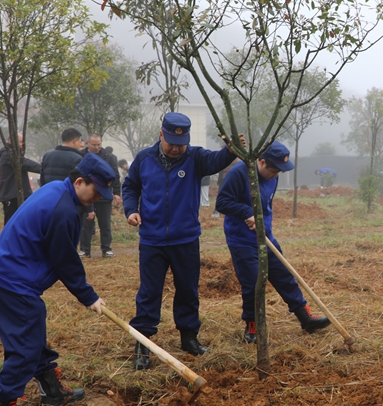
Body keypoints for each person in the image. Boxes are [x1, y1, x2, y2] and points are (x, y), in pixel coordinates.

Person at [0, 153, 115, 406]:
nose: (97, 198)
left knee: (32, 334)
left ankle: (51, 391)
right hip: (13, 280)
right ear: (79, 182)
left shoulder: (56, 189)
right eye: (95, 192)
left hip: (10, 274)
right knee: (25, 347)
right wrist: (88, 296)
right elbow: (65, 260)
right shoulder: (63, 210)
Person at [122, 112, 238, 370]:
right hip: (152, 240)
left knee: (187, 290)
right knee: (149, 292)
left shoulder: (195, 158)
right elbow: (130, 186)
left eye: (181, 144)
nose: (176, 149)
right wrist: (131, 210)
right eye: (172, 143)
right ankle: (143, 342)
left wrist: (231, 150)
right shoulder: (144, 159)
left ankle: (189, 337)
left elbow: (217, 160)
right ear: (161, 135)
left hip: (185, 239)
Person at [216, 141, 331, 343]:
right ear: (261, 162)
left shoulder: (273, 178)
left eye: (279, 171)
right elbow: (222, 202)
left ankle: (305, 317)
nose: (276, 175)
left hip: (266, 237)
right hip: (242, 240)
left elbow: (266, 205)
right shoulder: (238, 173)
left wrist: (265, 227)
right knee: (253, 285)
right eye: (274, 170)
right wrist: (246, 212)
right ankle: (252, 325)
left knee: (284, 275)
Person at [79, 134, 122, 258]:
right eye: (94, 145)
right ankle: (85, 250)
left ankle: (106, 249)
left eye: (99, 144)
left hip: (104, 195)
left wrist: (116, 193)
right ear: (87, 143)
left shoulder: (109, 157)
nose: (97, 147)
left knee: (105, 224)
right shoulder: (80, 156)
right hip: (86, 196)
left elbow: (116, 176)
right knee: (86, 225)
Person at [0, 133, 42, 226]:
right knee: (11, 224)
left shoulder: (12, 154)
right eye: (20, 142)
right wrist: (44, 168)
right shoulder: (8, 154)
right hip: (12, 196)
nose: (22, 145)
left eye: (23, 142)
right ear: (11, 141)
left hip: (17, 194)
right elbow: (26, 163)